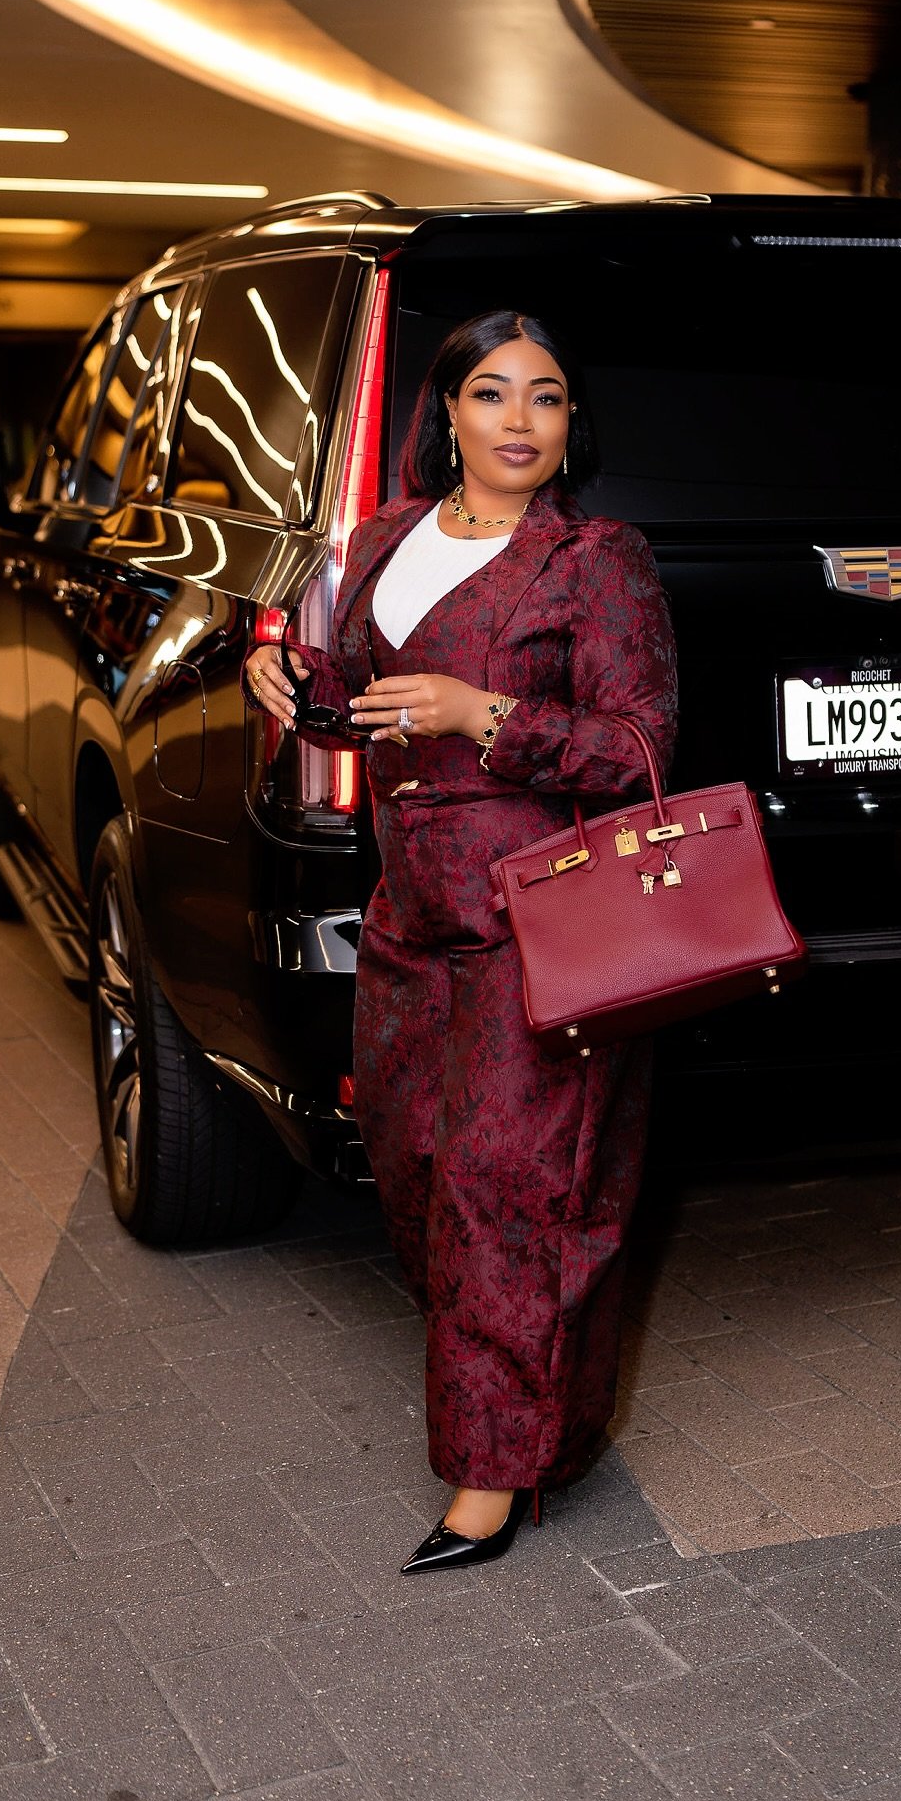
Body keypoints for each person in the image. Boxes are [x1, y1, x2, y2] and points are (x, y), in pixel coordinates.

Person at [244, 310, 677, 1572]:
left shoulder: (598, 560)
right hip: (408, 918)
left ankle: (498, 1474)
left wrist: (488, 713)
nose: (520, 422)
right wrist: (290, 690)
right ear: (446, 414)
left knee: (516, 1194)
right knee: (417, 1171)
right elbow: (362, 712)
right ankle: (523, 1386)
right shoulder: (385, 541)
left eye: (546, 398)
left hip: (533, 916)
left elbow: (643, 746)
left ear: (569, 422)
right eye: (493, 395)